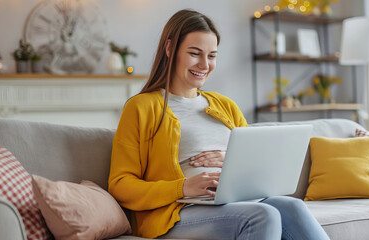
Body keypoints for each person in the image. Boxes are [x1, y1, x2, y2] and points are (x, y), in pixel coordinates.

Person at [108, 9, 330, 240]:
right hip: (178, 213)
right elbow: (120, 185)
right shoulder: (142, 107)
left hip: (236, 201)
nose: (204, 64)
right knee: (263, 215)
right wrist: (183, 188)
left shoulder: (225, 105)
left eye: (212, 55)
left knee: (292, 207)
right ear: (170, 49)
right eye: (195, 53)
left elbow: (257, 163)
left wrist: (232, 161)